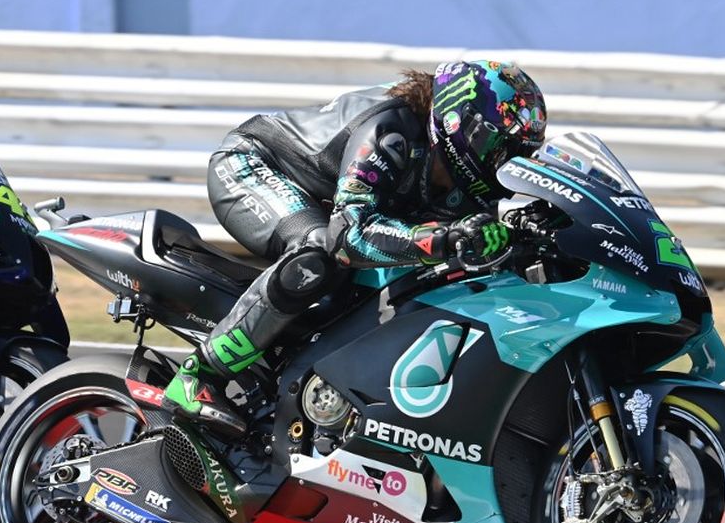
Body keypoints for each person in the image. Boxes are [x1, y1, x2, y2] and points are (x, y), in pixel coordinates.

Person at [162, 60, 547, 435]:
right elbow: (350, 239)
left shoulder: (463, 176)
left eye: (519, 154)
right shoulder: (390, 131)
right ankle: (198, 376)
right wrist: (444, 239)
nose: (506, 164)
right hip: (252, 164)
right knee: (317, 255)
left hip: (329, 202)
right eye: (500, 149)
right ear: (461, 126)